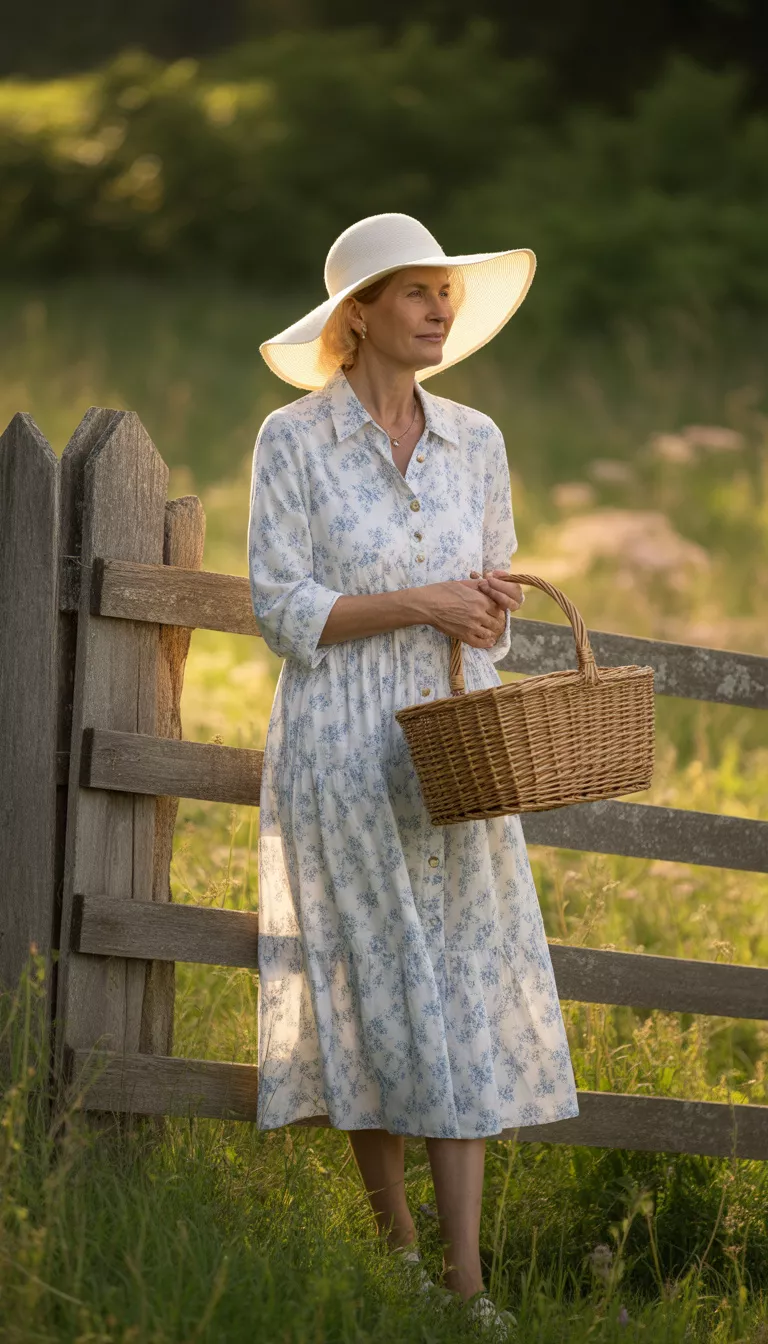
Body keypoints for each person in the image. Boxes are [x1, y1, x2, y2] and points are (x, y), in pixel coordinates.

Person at [248, 212, 579, 1327]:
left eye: (446, 293)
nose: (442, 310)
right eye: (416, 293)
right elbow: (280, 606)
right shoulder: (290, 442)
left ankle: (467, 1284)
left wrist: (480, 609)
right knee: (371, 991)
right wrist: (422, 601)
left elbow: (491, 622)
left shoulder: (477, 440)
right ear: (357, 318)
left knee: (465, 998)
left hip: (454, 749)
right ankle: (394, 1259)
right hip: (339, 749)